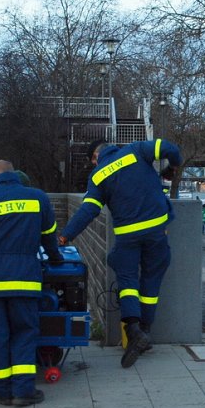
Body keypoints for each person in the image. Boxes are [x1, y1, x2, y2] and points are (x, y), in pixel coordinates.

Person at [60, 138, 182, 368]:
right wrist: (171, 167)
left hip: (127, 236)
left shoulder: (97, 176)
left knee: (127, 281)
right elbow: (170, 149)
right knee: (151, 284)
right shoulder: (136, 150)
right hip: (157, 229)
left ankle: (134, 330)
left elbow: (88, 210)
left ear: (95, 158)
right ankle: (144, 332)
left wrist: (65, 236)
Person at [0, 160, 63, 406]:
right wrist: (56, 260)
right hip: (24, 279)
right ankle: (23, 391)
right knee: (24, 332)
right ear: (15, 173)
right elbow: (50, 236)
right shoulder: (37, 198)